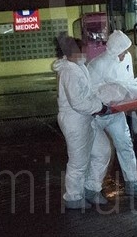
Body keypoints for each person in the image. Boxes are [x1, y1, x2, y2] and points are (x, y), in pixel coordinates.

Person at [52, 33, 114, 209]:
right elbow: (78, 101)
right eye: (81, 49)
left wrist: (100, 101)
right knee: (78, 161)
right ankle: (73, 197)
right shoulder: (69, 71)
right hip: (75, 120)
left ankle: (91, 188)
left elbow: (86, 93)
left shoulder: (77, 67)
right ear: (72, 52)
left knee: (102, 151)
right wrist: (100, 107)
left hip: (86, 118)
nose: (85, 52)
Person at [87, 30, 137, 196]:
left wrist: (130, 98)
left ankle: (131, 182)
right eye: (122, 52)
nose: (126, 54)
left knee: (125, 144)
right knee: (99, 153)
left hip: (116, 113)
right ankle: (91, 187)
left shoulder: (126, 58)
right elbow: (91, 92)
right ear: (115, 51)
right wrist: (109, 97)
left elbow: (128, 83)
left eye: (126, 51)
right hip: (97, 116)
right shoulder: (97, 65)